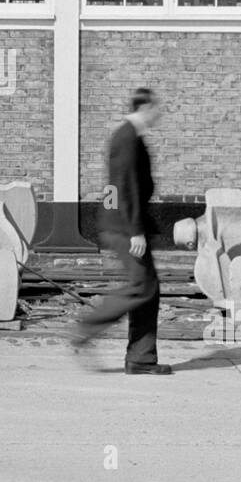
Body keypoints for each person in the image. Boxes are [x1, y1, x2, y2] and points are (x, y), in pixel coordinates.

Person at [71, 88, 171, 375]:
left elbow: (117, 188)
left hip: (123, 223)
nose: (159, 114)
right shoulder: (127, 137)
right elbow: (124, 187)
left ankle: (141, 358)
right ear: (146, 106)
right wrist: (135, 231)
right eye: (157, 108)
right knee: (142, 287)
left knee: (149, 290)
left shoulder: (130, 135)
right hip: (125, 227)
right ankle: (86, 327)